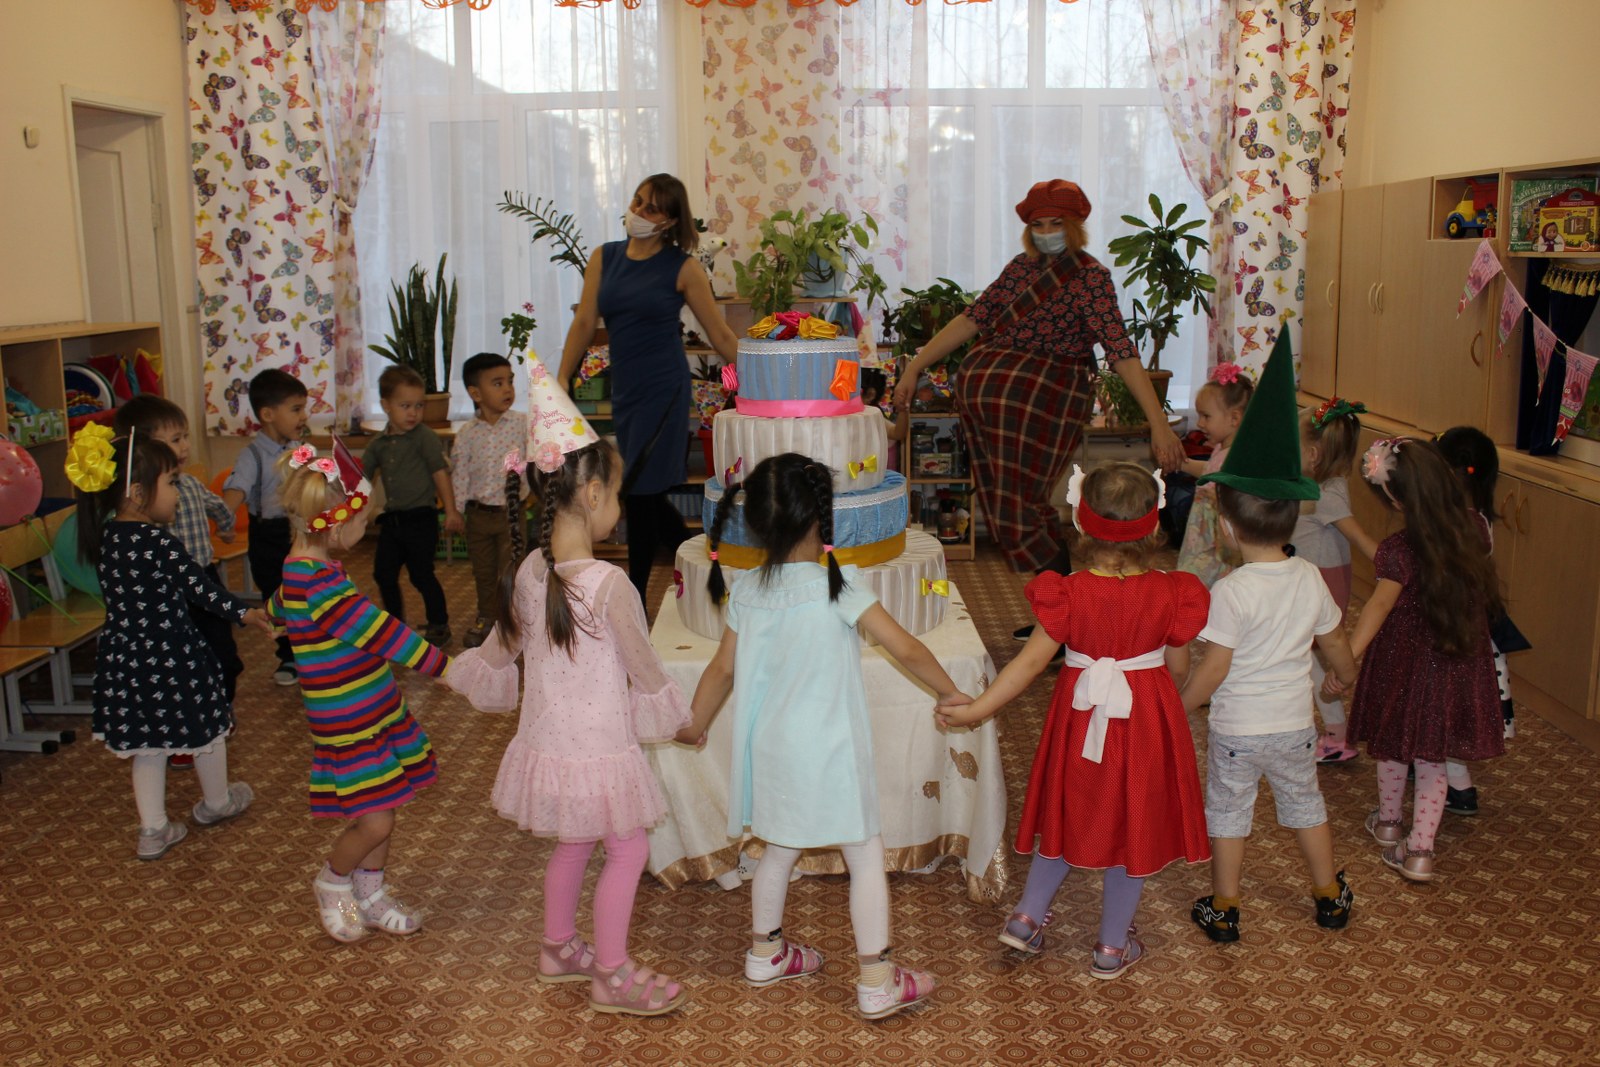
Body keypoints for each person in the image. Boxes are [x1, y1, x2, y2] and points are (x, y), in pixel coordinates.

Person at [677, 452, 967, 1020]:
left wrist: (695, 725)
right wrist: (950, 692)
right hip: (832, 752)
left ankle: (765, 953)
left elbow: (721, 670)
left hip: (772, 752)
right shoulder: (838, 583)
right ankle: (877, 980)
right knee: (864, 854)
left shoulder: (746, 590)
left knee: (778, 849)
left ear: (757, 523)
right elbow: (906, 647)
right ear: (821, 516)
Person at [449, 362, 691, 1016]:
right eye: (617, 496)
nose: (619, 508)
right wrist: (683, 720)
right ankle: (611, 973)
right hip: (601, 748)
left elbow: (499, 651)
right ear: (591, 493)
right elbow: (645, 671)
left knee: (574, 843)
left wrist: (457, 670)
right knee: (629, 848)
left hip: (551, 744)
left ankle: (558, 948)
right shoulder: (611, 586)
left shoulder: (531, 567)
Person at [937, 462, 1208, 979]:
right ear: (1154, 525)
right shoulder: (1174, 592)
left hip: (1080, 723)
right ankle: (1111, 947)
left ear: (1081, 523)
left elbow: (1027, 665)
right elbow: (1177, 667)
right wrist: (1165, 699)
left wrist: (976, 709)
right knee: (1134, 826)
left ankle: (1025, 918)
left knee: (1069, 815)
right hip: (1144, 722)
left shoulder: (1069, 592)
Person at [893, 178, 1184, 578]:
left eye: (1056, 223)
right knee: (1009, 504)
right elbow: (971, 319)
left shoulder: (1091, 278)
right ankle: (1056, 602)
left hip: (1046, 403)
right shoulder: (1019, 268)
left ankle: (1060, 602)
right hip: (990, 412)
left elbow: (1121, 352)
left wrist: (1158, 424)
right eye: (1038, 225)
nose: (1046, 232)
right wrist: (914, 367)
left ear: (1074, 225)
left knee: (1021, 508)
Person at [1176, 334, 1359, 942]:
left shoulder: (1230, 591)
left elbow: (1213, 669)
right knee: (1306, 806)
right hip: (1294, 727)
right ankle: (1328, 895)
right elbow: (1335, 642)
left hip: (1236, 732)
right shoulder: (1308, 577)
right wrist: (1344, 676)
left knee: (1229, 813)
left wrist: (1179, 707)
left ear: (1227, 527)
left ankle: (1225, 906)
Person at [268, 440, 452, 942]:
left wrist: (271, 614)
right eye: (362, 519)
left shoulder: (304, 569)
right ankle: (333, 882)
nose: (367, 526)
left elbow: (281, 600)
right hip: (351, 724)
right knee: (375, 822)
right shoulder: (320, 585)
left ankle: (370, 894)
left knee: (384, 808)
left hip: (371, 711)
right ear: (333, 525)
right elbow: (382, 632)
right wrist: (443, 667)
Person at [66, 426, 268, 859]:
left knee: (148, 742)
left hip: (125, 657)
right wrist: (245, 613)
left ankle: (153, 829)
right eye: (172, 483)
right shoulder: (158, 542)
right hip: (172, 654)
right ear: (138, 493)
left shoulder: (107, 538)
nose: (178, 493)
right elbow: (201, 588)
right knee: (208, 726)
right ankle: (217, 803)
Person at [557, 173, 741, 604]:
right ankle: (709, 573)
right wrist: (563, 376)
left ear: (670, 220)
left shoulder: (683, 267)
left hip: (664, 392)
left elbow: (718, 333)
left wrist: (762, 373)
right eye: (638, 201)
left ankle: (635, 598)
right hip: (627, 392)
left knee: (639, 494)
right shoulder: (605, 257)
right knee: (646, 497)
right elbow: (584, 322)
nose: (639, 211)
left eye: (652, 208)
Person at [1329, 437, 1504, 882]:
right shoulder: (1475, 527)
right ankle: (1420, 850)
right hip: (1456, 659)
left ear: (1396, 500)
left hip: (1401, 663)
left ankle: (1389, 823)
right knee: (1432, 758)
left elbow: (1378, 606)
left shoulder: (1398, 549)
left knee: (1392, 742)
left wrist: (1346, 660)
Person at [115, 396, 245, 769]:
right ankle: (181, 733)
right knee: (177, 668)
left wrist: (226, 526)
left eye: (185, 436)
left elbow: (217, 506)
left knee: (223, 655)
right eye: (175, 439)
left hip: (203, 580)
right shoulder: (137, 504)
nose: (185, 446)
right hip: (166, 596)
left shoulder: (188, 485)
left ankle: (219, 710)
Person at [1434, 425, 1527, 816]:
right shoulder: (1479, 519)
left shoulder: (1454, 524)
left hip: (1451, 635)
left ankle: (1458, 788)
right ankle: (1446, 777)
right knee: (1448, 713)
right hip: (1469, 633)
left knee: (1442, 712)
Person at [1292, 397, 1378, 763]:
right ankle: (1334, 732)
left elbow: (1361, 539)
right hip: (1315, 582)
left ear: (1313, 455)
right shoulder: (1327, 484)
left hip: (1318, 588)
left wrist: (1399, 567)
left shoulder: (1325, 494)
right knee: (1310, 658)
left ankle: (1337, 735)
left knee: (1310, 659)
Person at [364, 365, 459, 646]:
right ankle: (395, 624)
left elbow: (440, 474)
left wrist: (451, 510)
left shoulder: (425, 437)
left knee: (421, 574)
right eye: (405, 406)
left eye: (419, 405)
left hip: (421, 519)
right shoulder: (378, 444)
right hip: (392, 521)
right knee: (383, 573)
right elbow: (360, 477)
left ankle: (439, 623)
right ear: (386, 405)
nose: (413, 413)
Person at [222, 367, 306, 685]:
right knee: (278, 598)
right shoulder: (252, 455)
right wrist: (225, 518)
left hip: (298, 533)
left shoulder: (299, 449)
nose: (303, 416)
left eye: (304, 408)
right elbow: (236, 489)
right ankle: (289, 657)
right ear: (268, 414)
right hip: (268, 536)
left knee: (306, 596)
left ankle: (312, 652)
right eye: (296, 409)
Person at [451, 352, 528, 649]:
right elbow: (460, 475)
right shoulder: (467, 434)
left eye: (510, 381)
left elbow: (536, 460)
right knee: (483, 572)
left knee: (512, 571)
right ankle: (487, 618)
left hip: (512, 514)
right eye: (497, 383)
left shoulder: (522, 425)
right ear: (475, 394)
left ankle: (513, 621)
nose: (507, 389)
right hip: (478, 516)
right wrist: (456, 511)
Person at [1175, 362, 1254, 586]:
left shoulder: (1237, 459)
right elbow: (1210, 472)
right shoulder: (1221, 447)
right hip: (1201, 537)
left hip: (1217, 547)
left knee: (1203, 587)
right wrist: (1183, 464)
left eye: (1206, 416)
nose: (1200, 423)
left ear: (1234, 418)